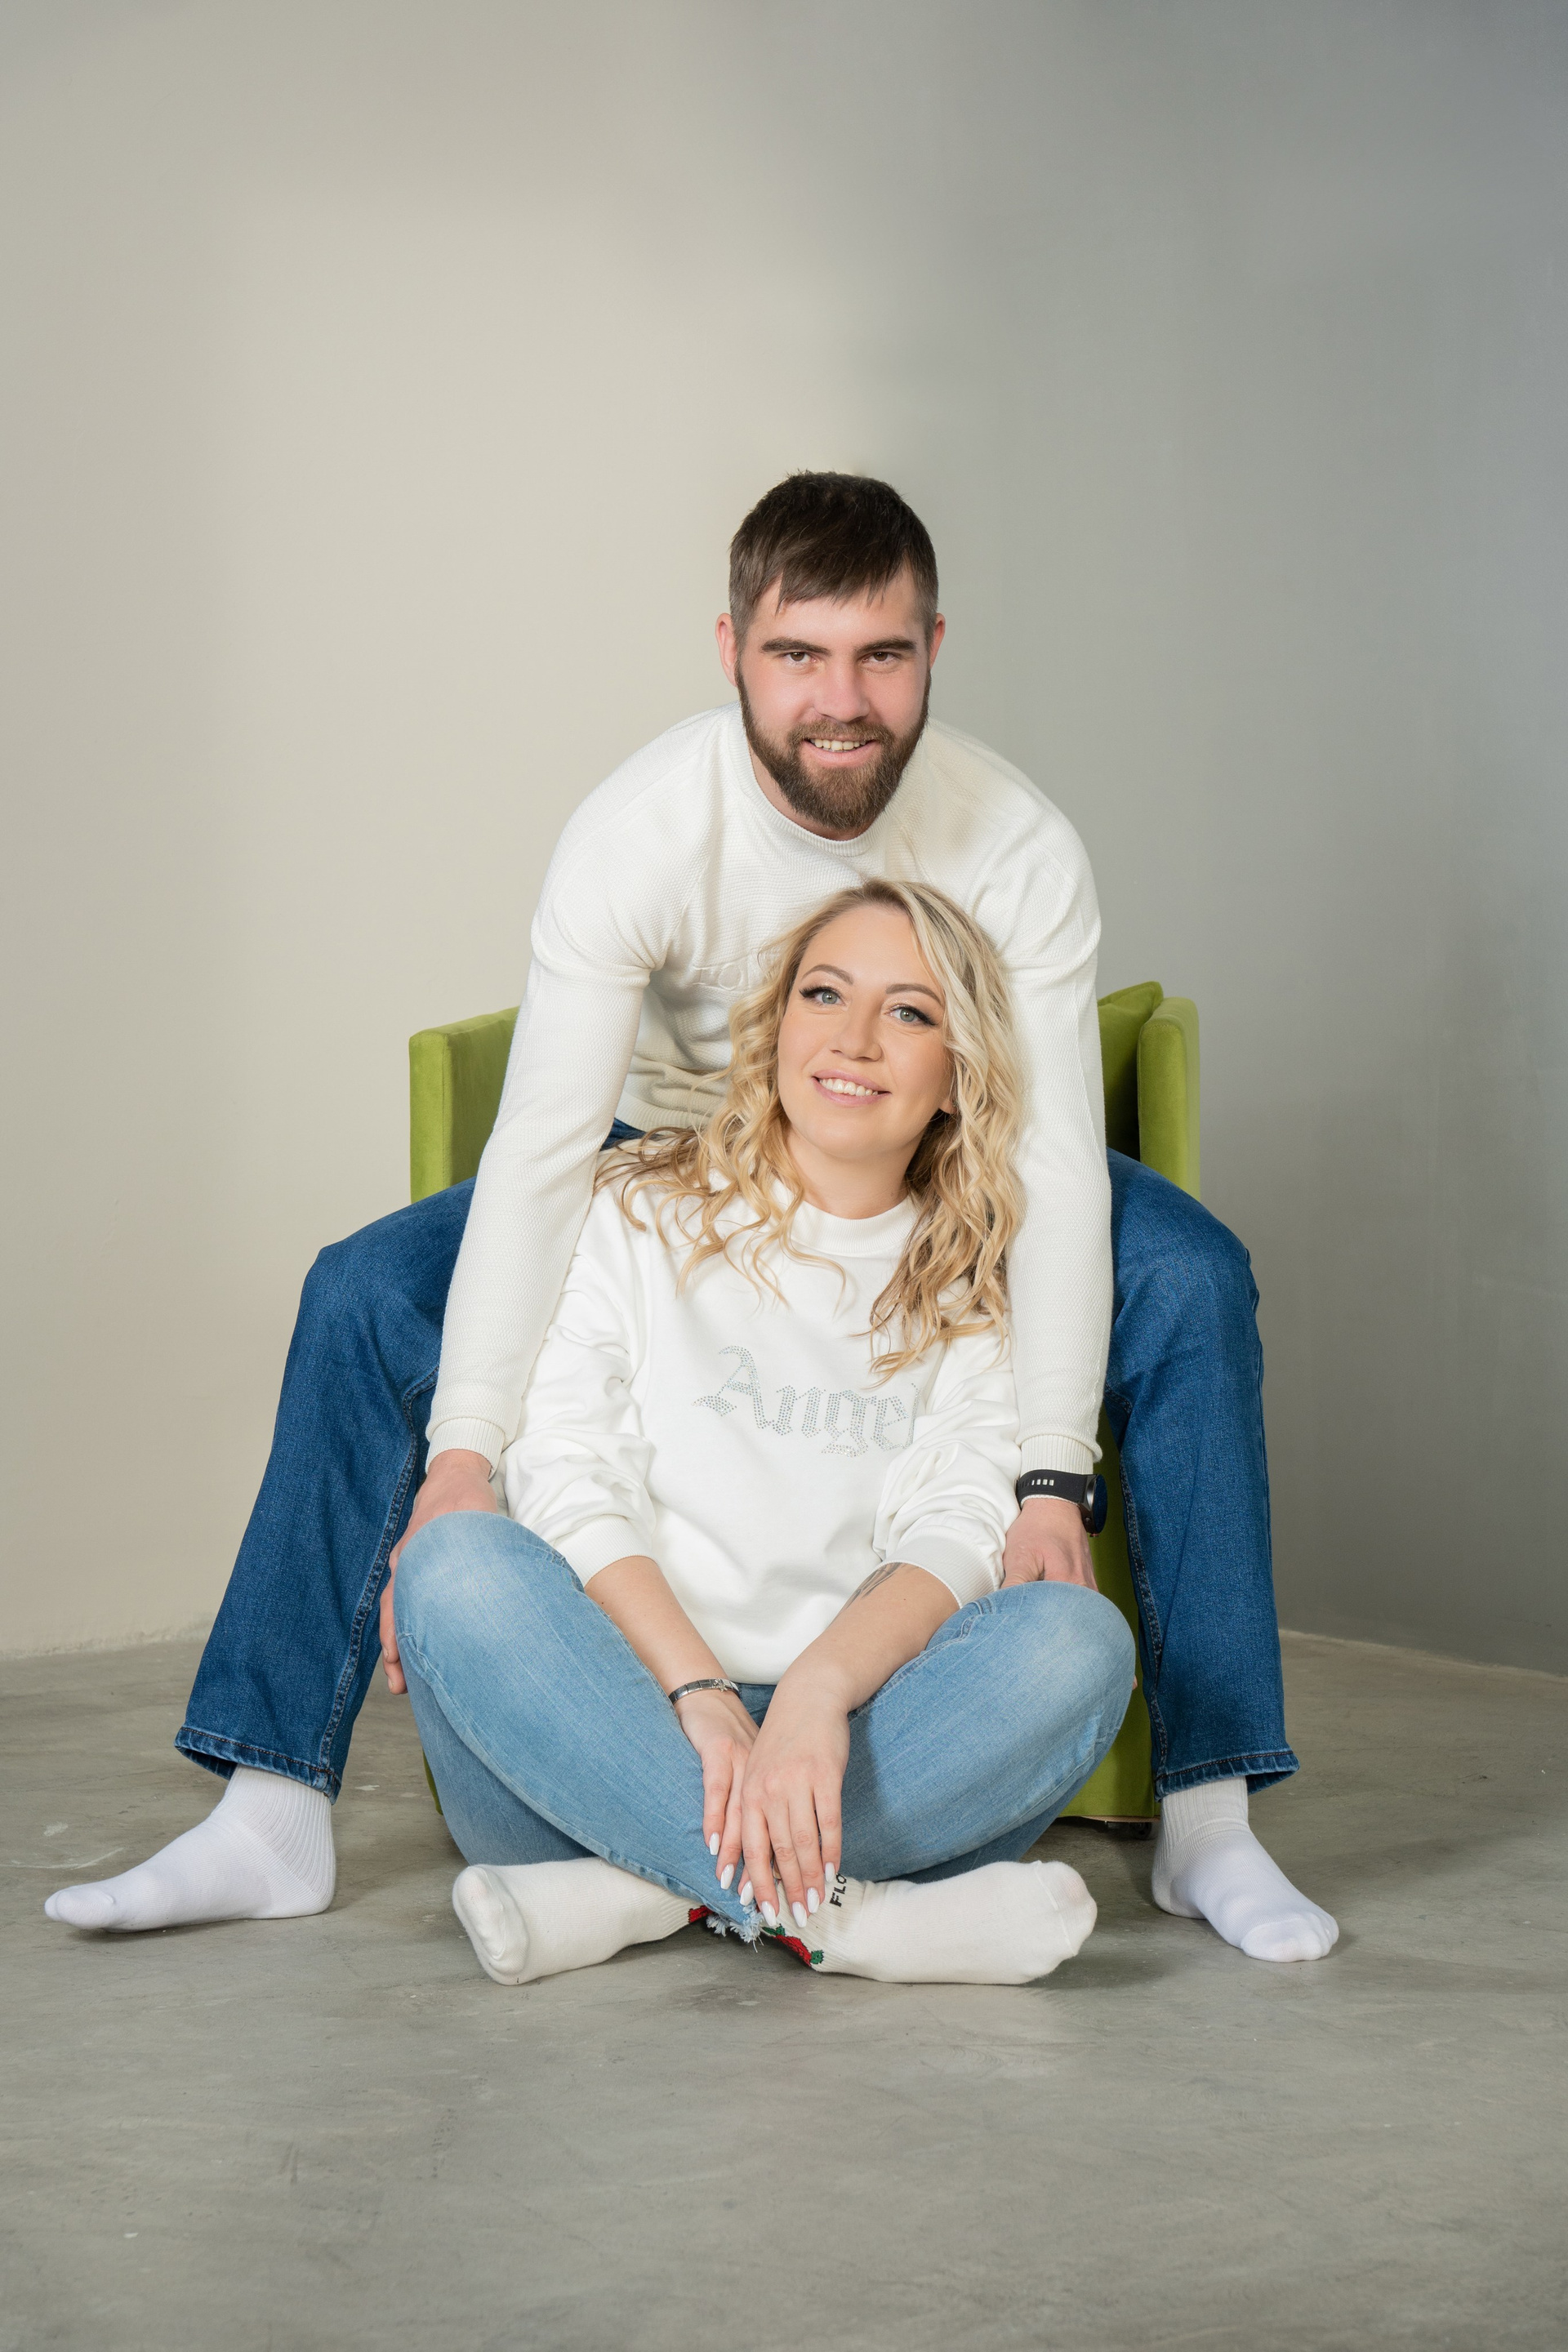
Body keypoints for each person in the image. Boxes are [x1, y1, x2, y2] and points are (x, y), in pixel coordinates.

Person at [47, 473, 1336, 1967]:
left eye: (882, 655)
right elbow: (546, 1144)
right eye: (798, 655)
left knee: (1191, 1273)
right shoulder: (642, 830)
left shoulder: (1019, 843)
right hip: (674, 1147)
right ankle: (272, 1809)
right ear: (732, 649)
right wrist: (465, 1457)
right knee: (364, 1290)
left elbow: (1044, 1160)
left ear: (934, 648)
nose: (840, 701)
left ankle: (1209, 1819)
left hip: (935, 1147)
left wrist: (1051, 1472)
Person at [400, 881, 1134, 1988]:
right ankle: (840, 1918)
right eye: (824, 994)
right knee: (455, 1564)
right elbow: (569, 1476)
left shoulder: (981, 1277)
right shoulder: (630, 1206)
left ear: (956, 1076)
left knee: (1079, 1646)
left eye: (910, 1012)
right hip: (607, 1717)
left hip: (849, 1742)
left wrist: (814, 1695)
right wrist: (701, 1697)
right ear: (777, 1025)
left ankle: (640, 1892)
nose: (854, 1039)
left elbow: (960, 1524)